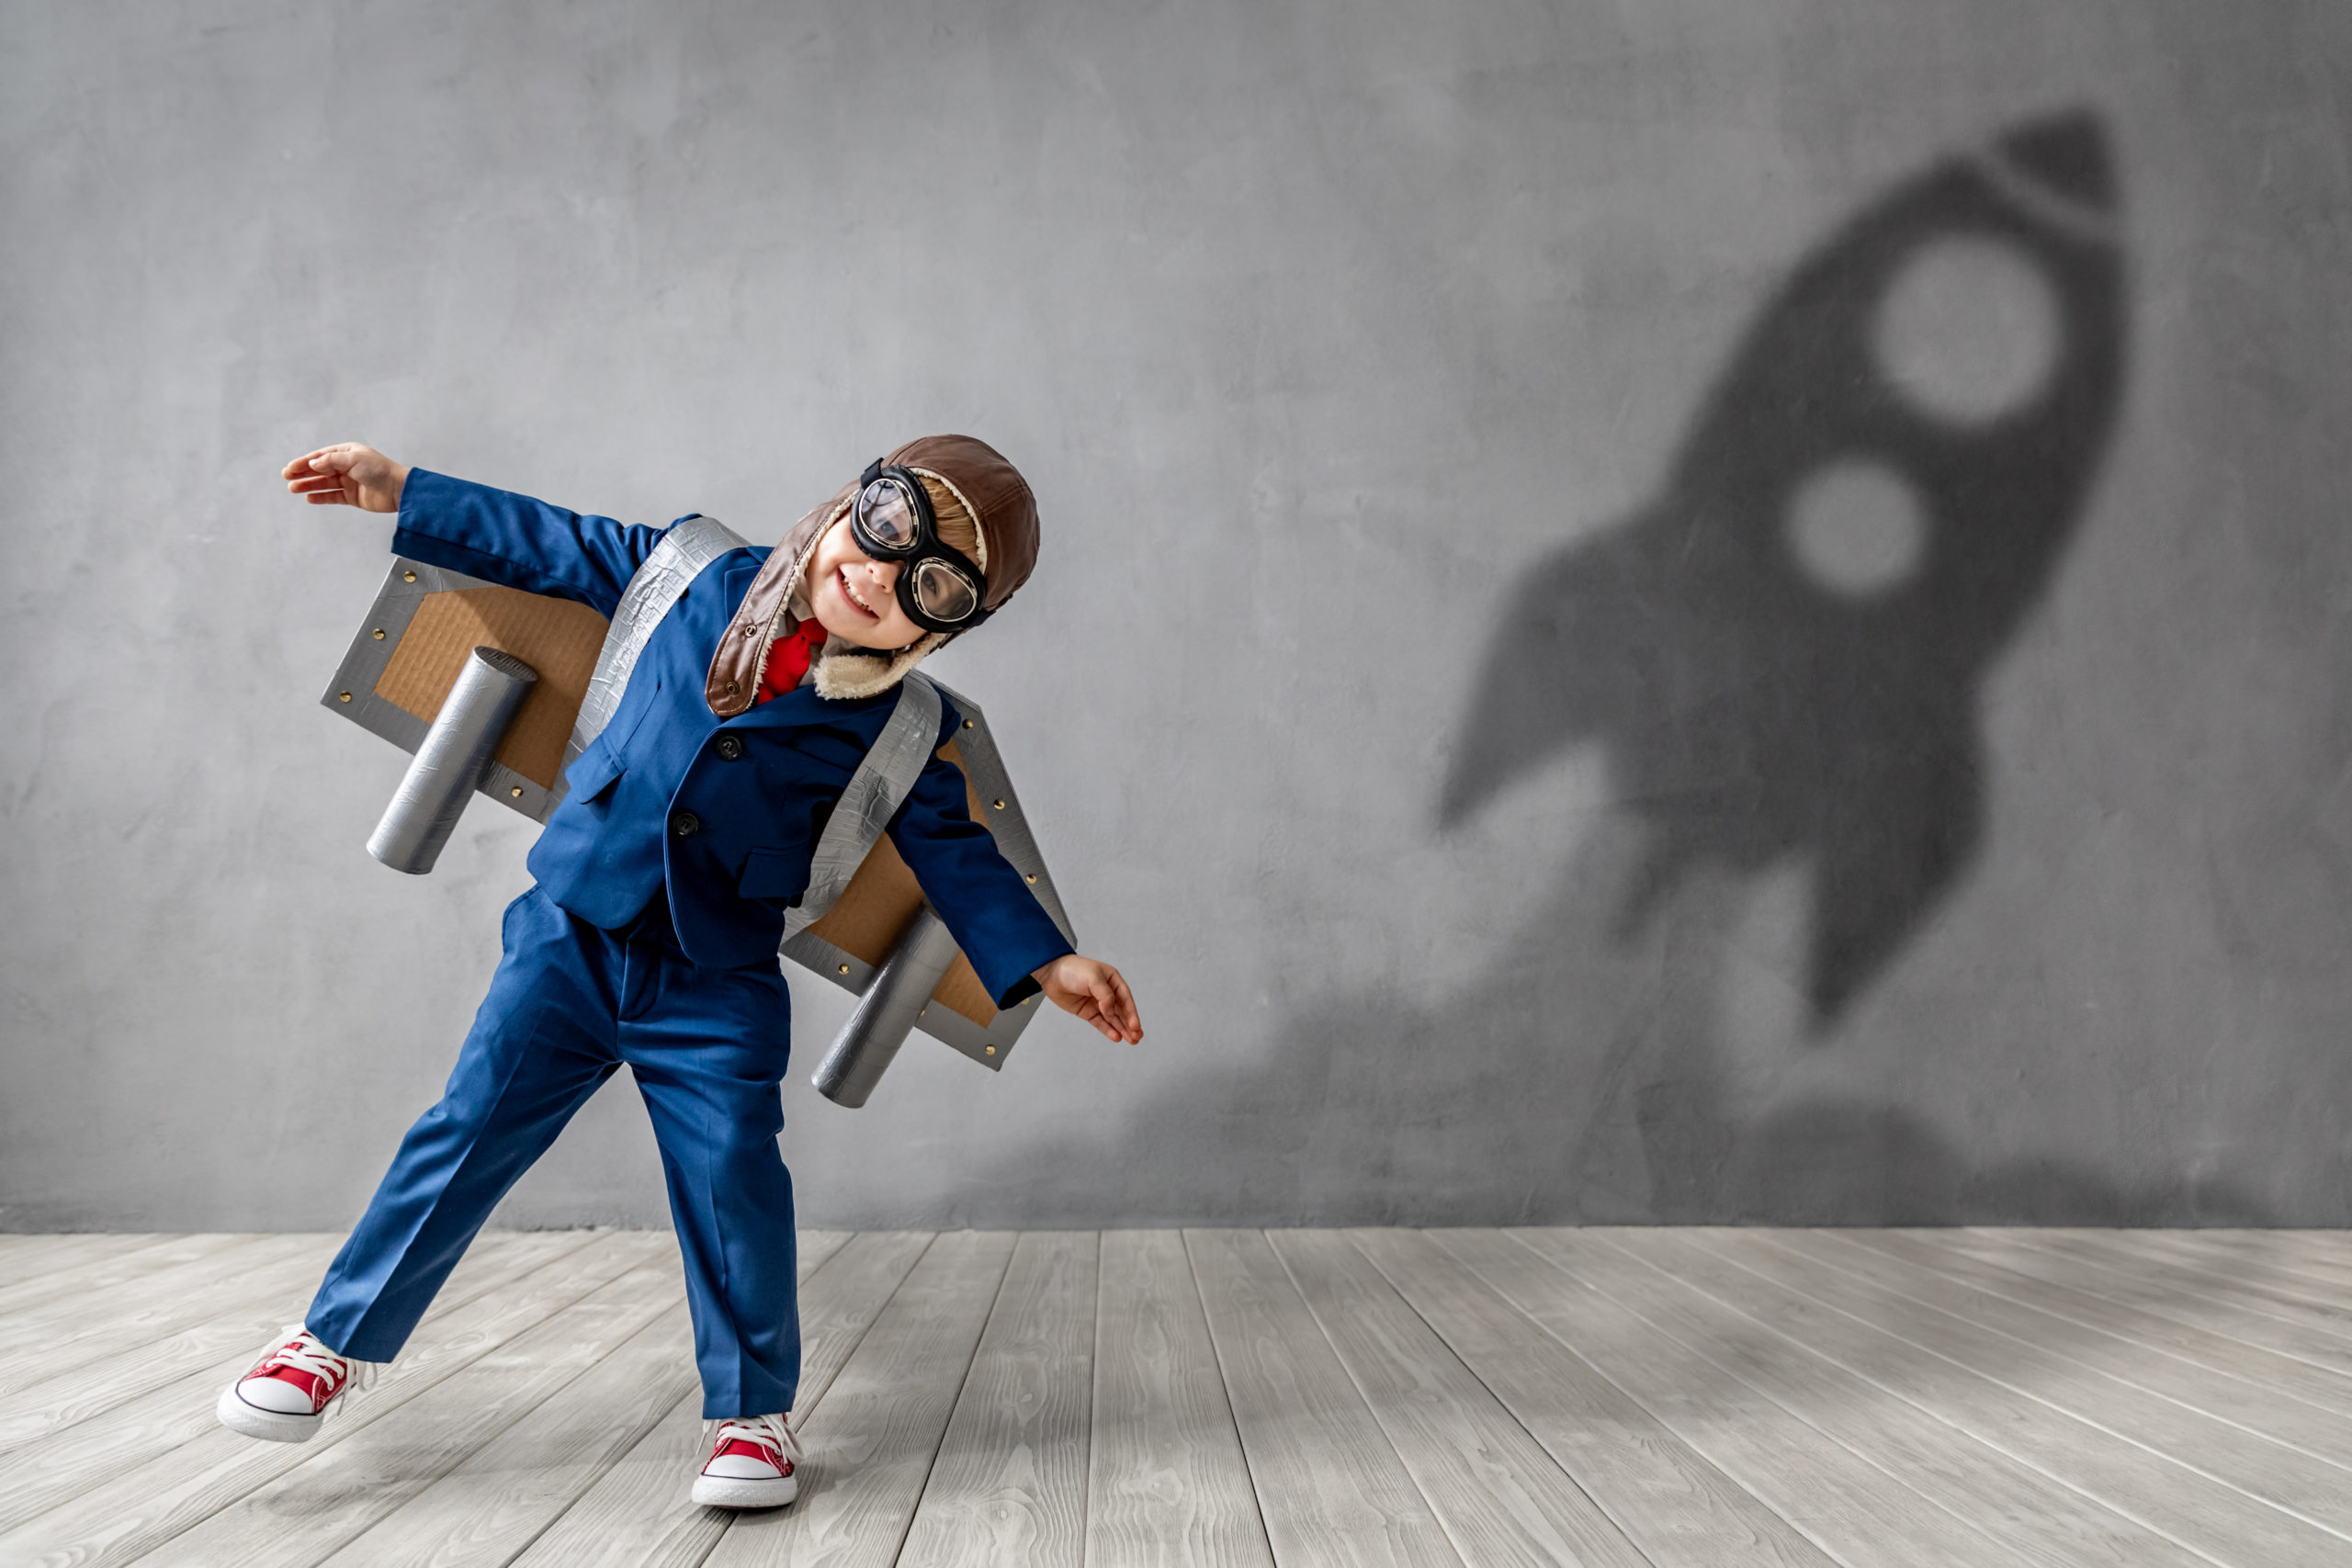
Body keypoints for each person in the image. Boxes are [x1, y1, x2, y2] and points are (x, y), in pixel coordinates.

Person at [215, 438, 1143, 1509]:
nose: (881, 575)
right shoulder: (690, 571)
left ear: (949, 624)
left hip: (718, 980)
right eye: (887, 529)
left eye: (928, 584)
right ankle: (329, 1341)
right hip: (571, 933)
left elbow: (957, 851)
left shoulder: (903, 724)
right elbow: (548, 543)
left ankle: (749, 1414)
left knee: (733, 1178)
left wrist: (1049, 958)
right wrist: (403, 490)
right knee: (466, 1130)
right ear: (850, 501)